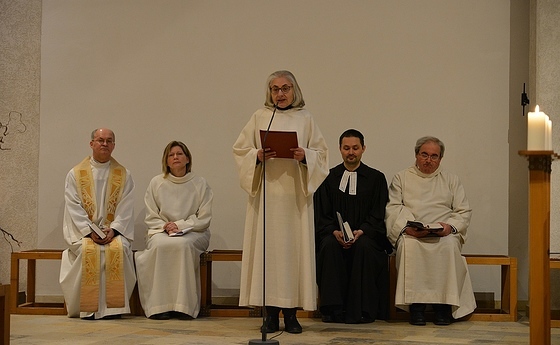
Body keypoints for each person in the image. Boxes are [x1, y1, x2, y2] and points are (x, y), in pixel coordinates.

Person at [233, 70, 329, 334]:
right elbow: (240, 151)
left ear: (294, 90)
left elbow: (322, 156)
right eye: (275, 89)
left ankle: (292, 314)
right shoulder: (260, 116)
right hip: (267, 197)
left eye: (285, 88)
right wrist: (257, 155)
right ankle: (270, 315)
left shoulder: (306, 118)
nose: (281, 94)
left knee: (293, 253)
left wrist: (305, 155)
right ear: (270, 92)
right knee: (268, 253)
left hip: (295, 199)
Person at [385, 136, 476, 326]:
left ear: (441, 159)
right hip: (413, 232)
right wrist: (407, 228)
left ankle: (443, 307)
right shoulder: (402, 177)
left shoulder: (451, 179)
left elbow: (463, 210)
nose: (429, 160)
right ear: (416, 155)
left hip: (442, 233)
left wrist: (449, 227)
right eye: (424, 154)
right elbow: (393, 207)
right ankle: (416, 307)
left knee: (450, 245)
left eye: (434, 156)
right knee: (409, 247)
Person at [314, 129, 392, 324]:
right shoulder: (327, 177)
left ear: (363, 149)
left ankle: (363, 310)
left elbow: (378, 213)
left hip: (366, 236)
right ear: (340, 149)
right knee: (330, 245)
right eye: (346, 148)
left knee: (364, 246)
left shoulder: (376, 178)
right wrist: (334, 231)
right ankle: (333, 310)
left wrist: (362, 231)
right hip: (334, 235)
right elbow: (321, 213)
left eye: (355, 148)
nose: (351, 152)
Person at [60, 128, 136, 320]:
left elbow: (126, 207)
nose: (104, 144)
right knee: (90, 251)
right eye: (100, 140)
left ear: (114, 146)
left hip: (113, 233)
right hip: (85, 233)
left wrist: (115, 229)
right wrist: (88, 231)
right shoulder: (75, 174)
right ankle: (87, 308)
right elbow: (73, 206)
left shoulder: (124, 174)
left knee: (116, 249)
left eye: (109, 141)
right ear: (91, 143)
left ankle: (113, 309)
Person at [135, 141, 213, 320]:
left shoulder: (200, 183)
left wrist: (180, 225)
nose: (176, 157)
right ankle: (159, 306)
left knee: (183, 245)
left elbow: (204, 217)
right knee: (159, 246)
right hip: (161, 231)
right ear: (166, 161)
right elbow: (151, 214)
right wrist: (166, 226)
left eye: (179, 154)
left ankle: (183, 306)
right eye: (171, 155)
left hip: (195, 232)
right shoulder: (157, 182)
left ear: (187, 158)